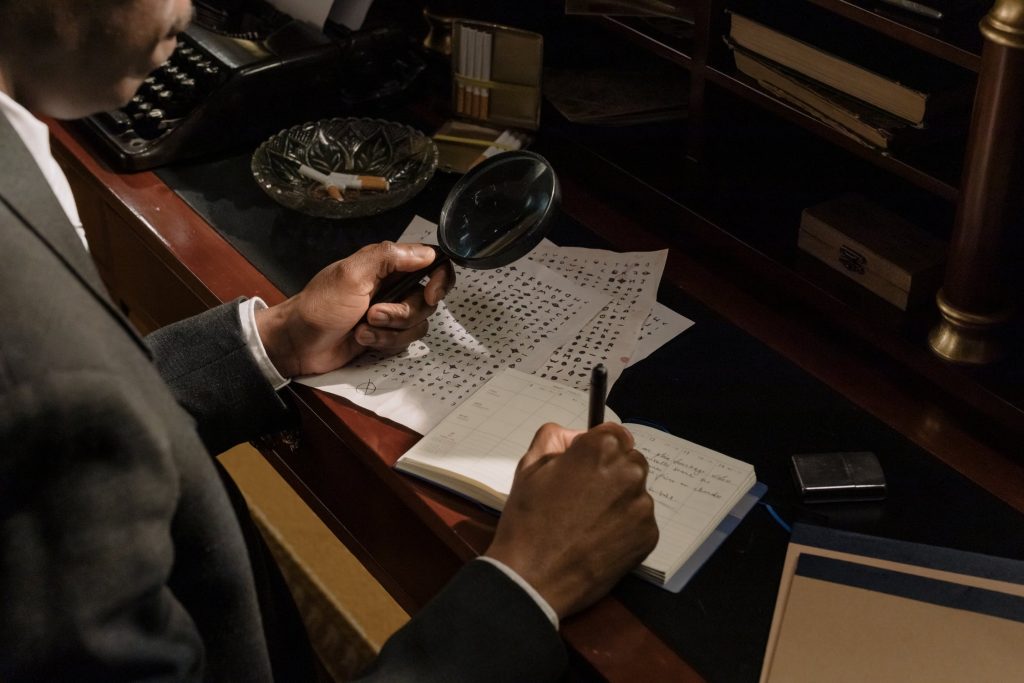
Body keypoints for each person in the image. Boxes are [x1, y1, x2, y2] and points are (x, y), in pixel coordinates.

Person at [0, 1, 659, 681]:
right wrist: (527, 583)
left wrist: (276, 340)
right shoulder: (33, 355)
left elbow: (75, 426)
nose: (192, 5)